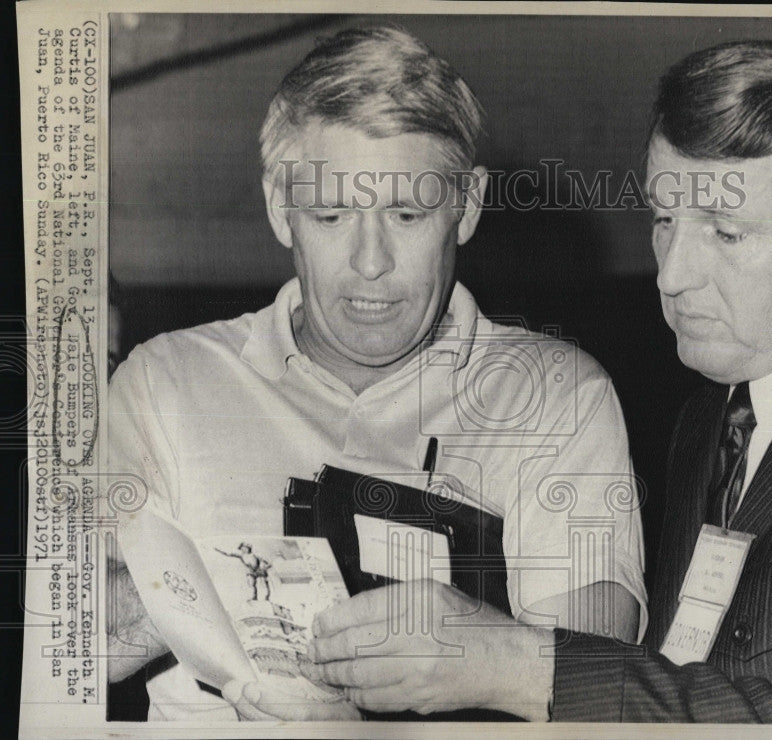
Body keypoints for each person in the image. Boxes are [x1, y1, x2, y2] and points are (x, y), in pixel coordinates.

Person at [291, 40, 772, 724]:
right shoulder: (716, 411)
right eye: (665, 220)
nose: (671, 275)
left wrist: (515, 665)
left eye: (725, 233)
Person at [107, 25, 646, 721]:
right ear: (281, 208)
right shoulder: (164, 381)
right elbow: (62, 642)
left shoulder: (559, 397)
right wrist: (238, 587)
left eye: (407, 213)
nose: (370, 263)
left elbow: (596, 691)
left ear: (467, 207)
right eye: (331, 214)